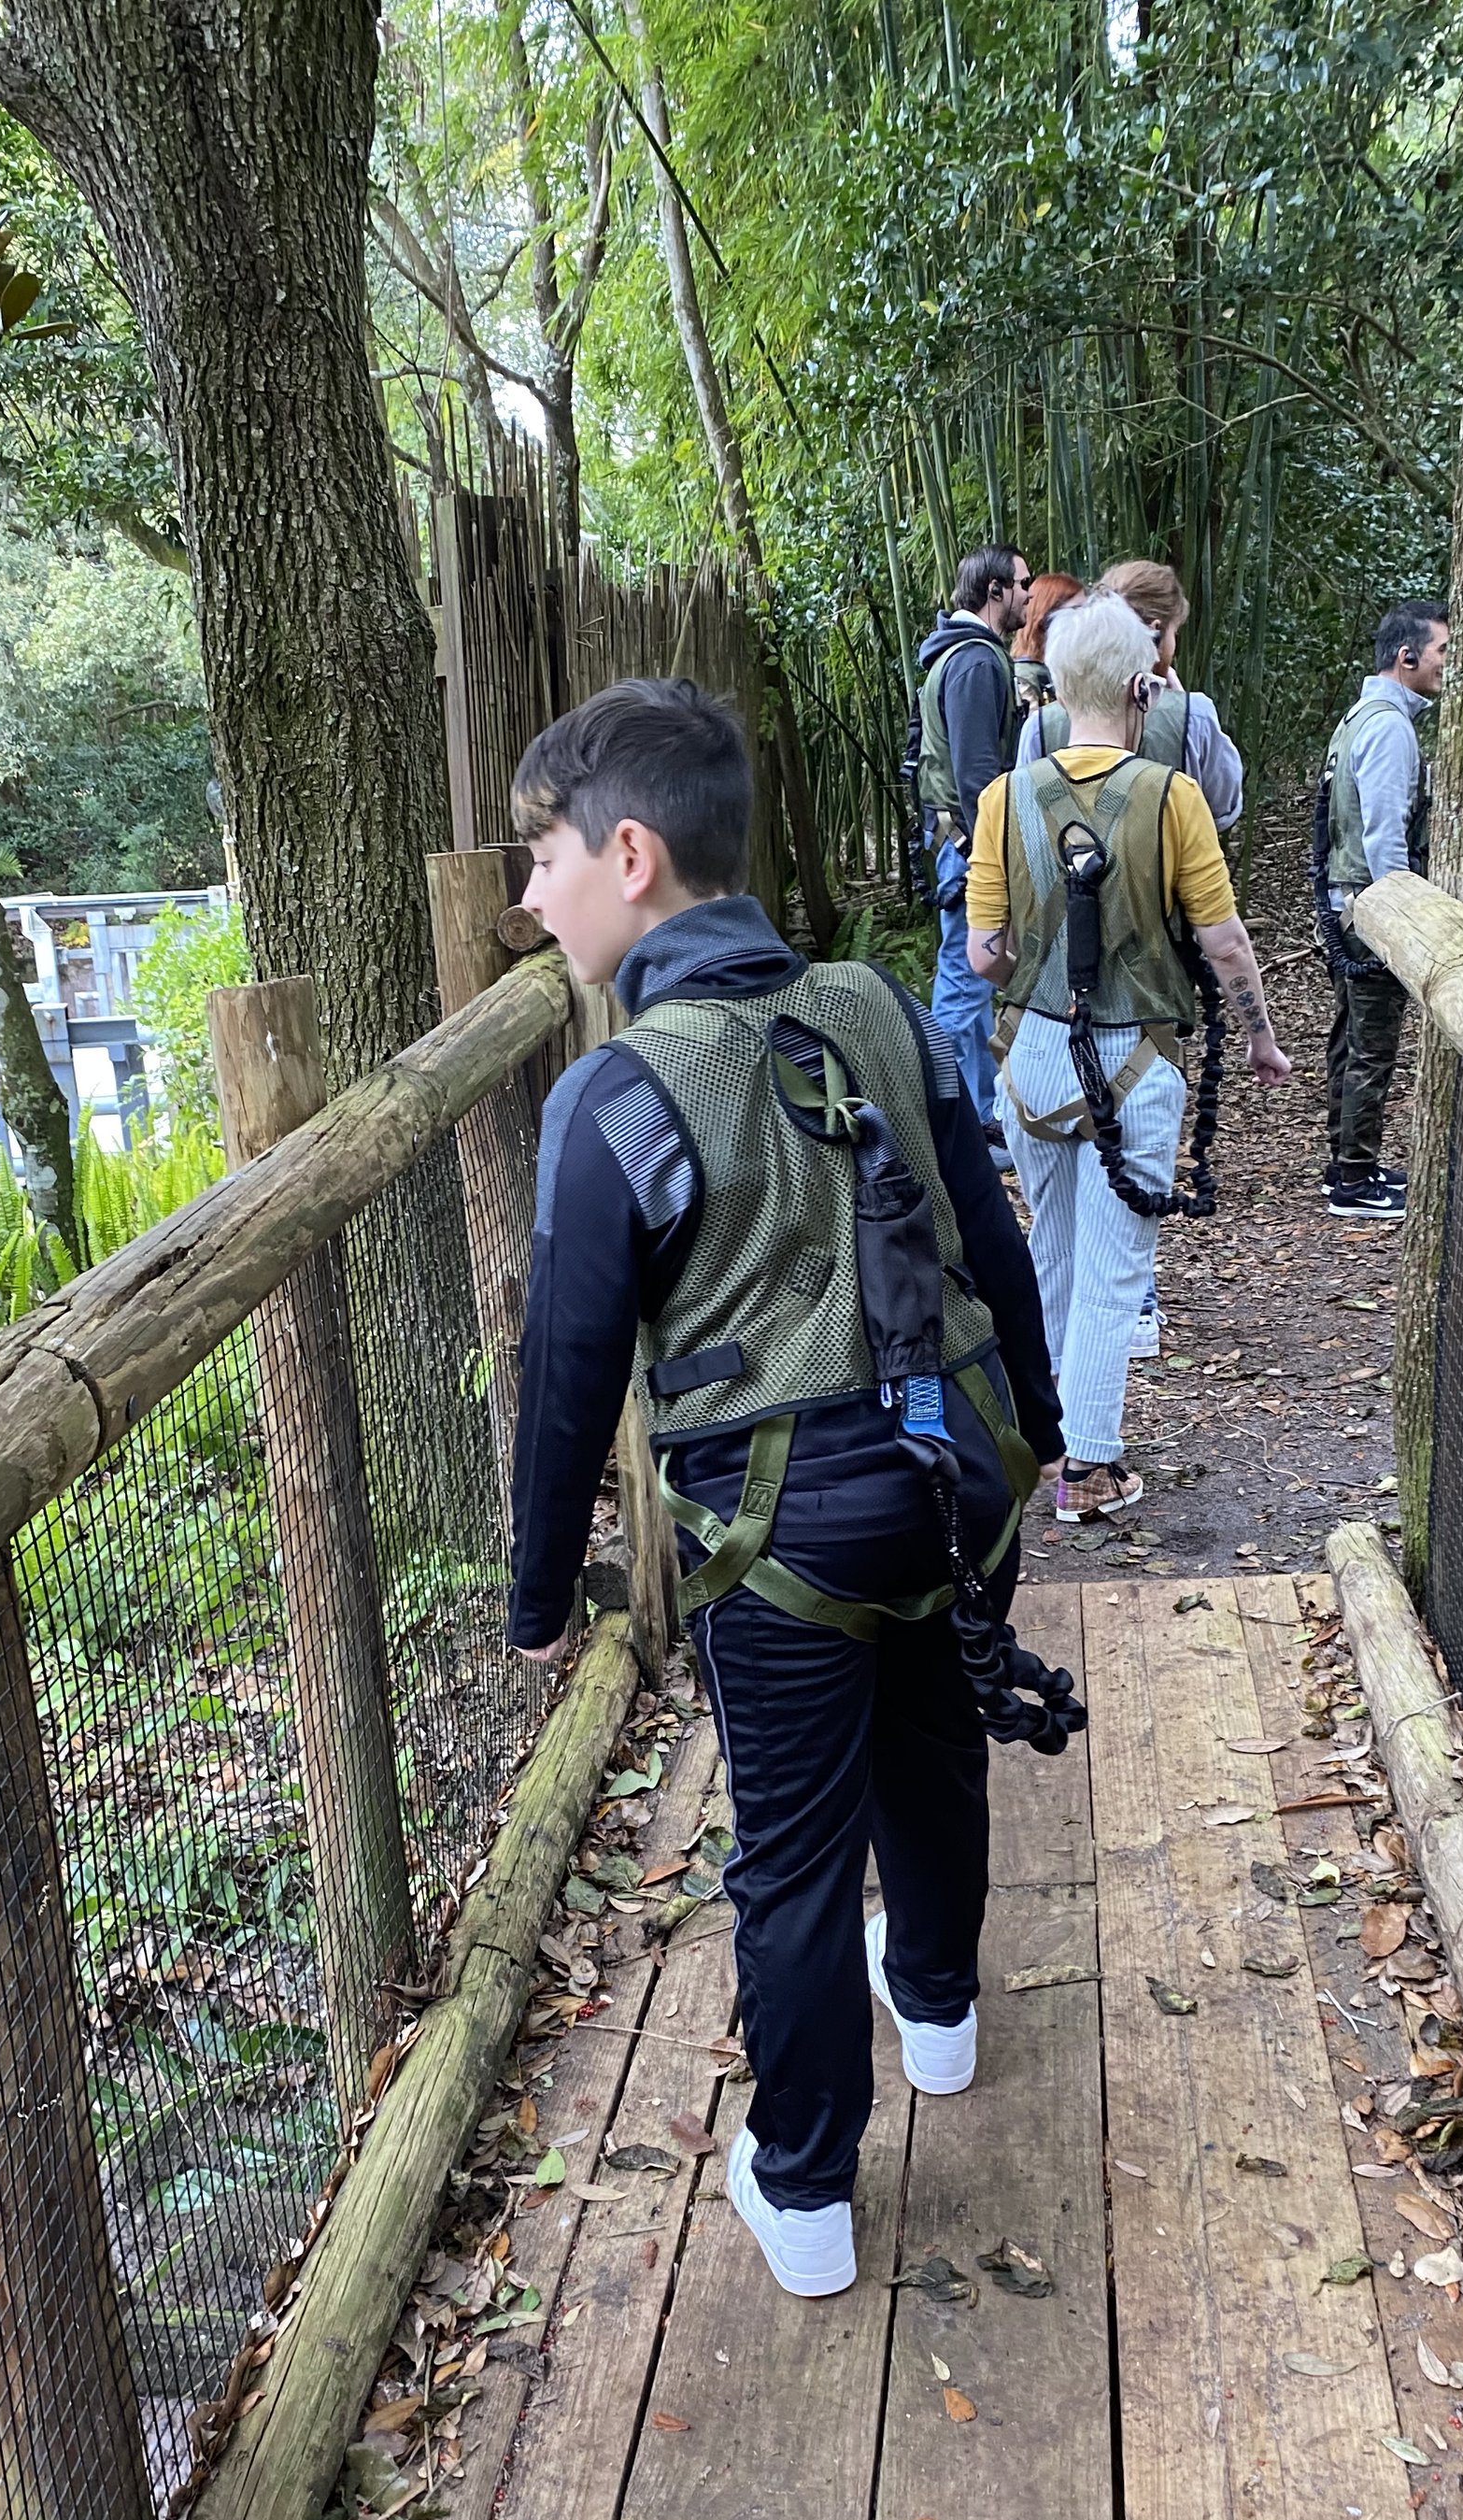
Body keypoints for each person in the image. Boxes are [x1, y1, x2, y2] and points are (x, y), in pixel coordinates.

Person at [504, 679, 1064, 2305]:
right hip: (956, 1471)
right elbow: (988, 1230)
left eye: (541, 857)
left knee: (797, 1852)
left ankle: (809, 2187)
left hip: (776, 1530)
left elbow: (568, 1373)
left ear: (629, 854)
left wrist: (544, 1599)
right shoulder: (879, 1004)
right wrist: (1035, 1427)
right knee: (939, 1738)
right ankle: (942, 2014)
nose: (528, 897)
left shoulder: (614, 1097)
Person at [965, 591, 1289, 1523]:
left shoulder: (1004, 799)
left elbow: (983, 953)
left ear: (1059, 687)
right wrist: (1260, 1037)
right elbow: (1223, 942)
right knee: (1110, 1275)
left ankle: (1040, 1440)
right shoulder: (1169, 797)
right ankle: (1092, 1470)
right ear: (1143, 685)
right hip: (1131, 1063)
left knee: (1054, 1255)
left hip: (1029, 1056)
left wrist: (1042, 941)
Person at [1022, 555, 1246, 1357]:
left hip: (1049, 979)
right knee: (1128, 1126)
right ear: (1156, 642)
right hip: (1158, 958)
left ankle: (1057, 1403)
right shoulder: (1189, 716)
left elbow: (1026, 837)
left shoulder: (1040, 728)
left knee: (1055, 1209)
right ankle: (1126, 1311)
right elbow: (1226, 803)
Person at [1314, 599, 1447, 1222]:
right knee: (1372, 1044)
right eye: (1443, 651)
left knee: (1351, 1035)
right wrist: (1402, 914)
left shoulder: (1358, 715)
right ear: (1408, 656)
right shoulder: (1390, 727)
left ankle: (1346, 1161)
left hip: (1344, 901)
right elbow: (1383, 833)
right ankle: (1356, 1176)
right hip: (1369, 906)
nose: (1447, 664)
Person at [911, 548, 1032, 1144]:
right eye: (1023, 585)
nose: (1030, 597)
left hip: (957, 840)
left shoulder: (961, 657)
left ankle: (974, 1118)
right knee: (964, 983)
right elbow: (977, 774)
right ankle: (964, 1129)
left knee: (968, 980)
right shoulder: (977, 662)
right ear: (994, 591)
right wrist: (1000, 856)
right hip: (968, 844)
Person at [1022, 558, 1245, 835]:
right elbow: (1224, 809)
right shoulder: (1195, 716)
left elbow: (1028, 825)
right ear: (1155, 633)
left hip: (1065, 877)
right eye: (1174, 632)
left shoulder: (1038, 727)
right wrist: (1181, 703)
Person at [1010, 572, 1085, 714]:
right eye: (1076, 610)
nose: (1085, 618)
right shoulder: (1025, 677)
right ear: (1046, 617)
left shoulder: (1075, 666)